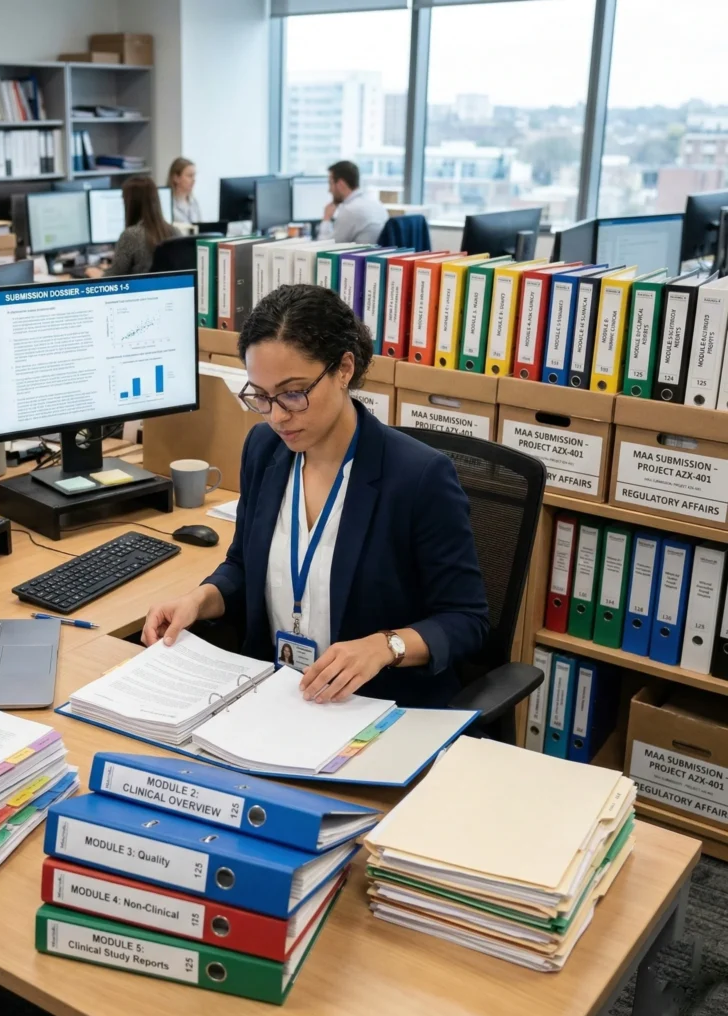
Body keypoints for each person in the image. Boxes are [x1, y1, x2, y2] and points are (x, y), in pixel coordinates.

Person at [142, 285, 489, 708]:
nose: (277, 416)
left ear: (344, 368)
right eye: (261, 396)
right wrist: (199, 599)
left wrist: (385, 646)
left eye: (293, 393)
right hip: (275, 696)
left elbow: (466, 620)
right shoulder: (263, 449)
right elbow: (243, 566)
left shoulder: (418, 476)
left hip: (372, 706)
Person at [84, 176, 177, 278]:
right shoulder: (174, 232)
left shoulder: (131, 235)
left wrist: (95, 274)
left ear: (130, 203)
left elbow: (112, 279)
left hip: (140, 288)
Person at [319, 160, 386, 245]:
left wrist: (326, 218)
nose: (329, 190)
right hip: (374, 252)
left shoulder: (350, 210)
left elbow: (325, 247)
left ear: (340, 184)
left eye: (330, 184)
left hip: (361, 253)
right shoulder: (376, 203)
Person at [168, 157, 202, 224]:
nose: (194, 180)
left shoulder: (194, 202)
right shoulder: (168, 204)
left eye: (194, 175)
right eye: (190, 176)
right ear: (176, 178)